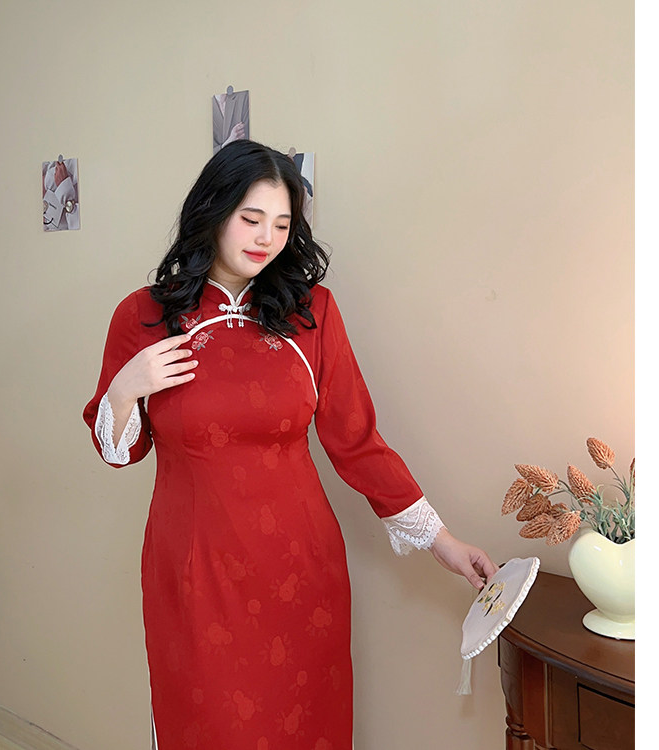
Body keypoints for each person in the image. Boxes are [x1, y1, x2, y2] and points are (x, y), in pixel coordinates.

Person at [83, 140, 497, 749]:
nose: (266, 239)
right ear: (212, 211)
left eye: (282, 224)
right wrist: (125, 387)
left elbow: (357, 442)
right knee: (205, 727)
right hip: (196, 571)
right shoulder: (144, 316)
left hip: (301, 571)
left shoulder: (313, 313)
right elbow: (119, 450)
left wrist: (442, 541)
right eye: (251, 219)